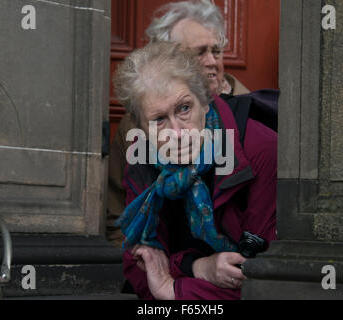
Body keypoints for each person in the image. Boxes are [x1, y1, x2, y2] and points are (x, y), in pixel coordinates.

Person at [113, 41, 277, 300]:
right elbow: (140, 268)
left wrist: (174, 288)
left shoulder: (261, 150)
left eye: (184, 108)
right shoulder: (142, 153)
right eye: (159, 120)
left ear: (205, 102)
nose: (177, 134)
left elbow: (265, 283)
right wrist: (198, 267)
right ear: (142, 129)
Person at [107, 0, 250, 247]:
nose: (211, 61)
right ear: (166, 58)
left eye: (216, 51)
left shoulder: (251, 112)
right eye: (198, 53)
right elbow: (119, 213)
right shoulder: (135, 128)